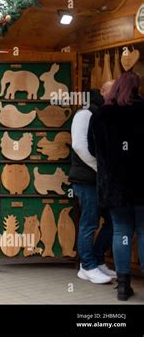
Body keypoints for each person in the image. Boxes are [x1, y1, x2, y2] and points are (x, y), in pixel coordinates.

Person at [90, 72, 144, 301]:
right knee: (143, 232)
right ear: (136, 88)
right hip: (142, 185)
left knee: (121, 232)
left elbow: (93, 150)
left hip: (114, 187)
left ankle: (123, 286)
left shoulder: (101, 114)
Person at [70, 81, 116, 284]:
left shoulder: (102, 112)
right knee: (89, 223)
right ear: (102, 91)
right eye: (111, 90)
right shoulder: (85, 113)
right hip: (87, 179)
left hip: (99, 180)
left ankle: (97, 260)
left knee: (113, 222)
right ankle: (87, 266)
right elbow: (79, 146)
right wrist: (101, 169)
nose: (115, 94)